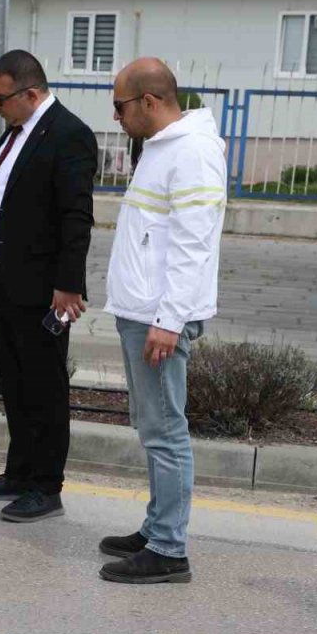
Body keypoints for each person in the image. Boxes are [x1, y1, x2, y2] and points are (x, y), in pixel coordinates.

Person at [98, 58, 226, 585]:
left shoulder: (191, 152)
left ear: (149, 102)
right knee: (152, 428)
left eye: (119, 106)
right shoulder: (160, 148)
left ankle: (169, 548)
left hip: (158, 317)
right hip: (142, 312)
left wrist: (168, 320)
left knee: (166, 431)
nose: (116, 117)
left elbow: (194, 245)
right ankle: (157, 527)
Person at [0, 50, 98, 523]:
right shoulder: (17, 130)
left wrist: (68, 285)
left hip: (48, 289)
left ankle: (46, 485)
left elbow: (76, 217)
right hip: (8, 280)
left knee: (44, 383)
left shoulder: (69, 135)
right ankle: (19, 471)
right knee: (16, 381)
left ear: (31, 93)